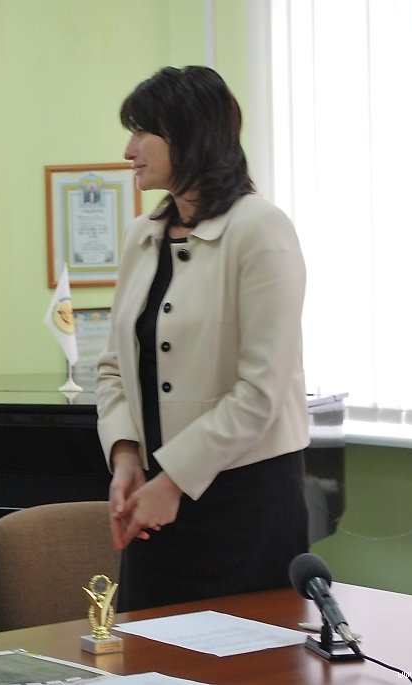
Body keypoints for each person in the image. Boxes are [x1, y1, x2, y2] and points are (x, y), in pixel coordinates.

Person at [96, 65, 310, 612]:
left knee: (250, 652)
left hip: (245, 502)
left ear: (188, 135)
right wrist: (126, 456)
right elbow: (114, 366)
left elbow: (260, 391)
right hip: (153, 500)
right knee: (147, 648)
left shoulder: (260, 229)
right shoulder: (141, 235)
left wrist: (172, 481)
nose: (128, 150)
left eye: (141, 132)